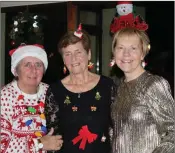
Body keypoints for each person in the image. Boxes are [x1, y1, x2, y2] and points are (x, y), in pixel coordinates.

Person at [44, 24, 117, 153]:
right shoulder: (55, 91)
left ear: (88, 54)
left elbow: (117, 130)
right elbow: (53, 138)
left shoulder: (107, 86)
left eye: (78, 52)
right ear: (63, 60)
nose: (73, 59)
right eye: (68, 54)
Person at [111, 27, 175, 153]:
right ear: (114, 52)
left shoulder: (154, 84)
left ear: (142, 54)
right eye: (120, 48)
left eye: (133, 48)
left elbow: (172, 132)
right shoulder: (117, 87)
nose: (126, 54)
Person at [1, 44, 63, 153]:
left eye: (38, 64)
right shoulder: (5, 96)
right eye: (27, 65)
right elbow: (2, 146)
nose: (33, 70)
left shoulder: (50, 92)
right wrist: (39, 144)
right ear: (16, 70)